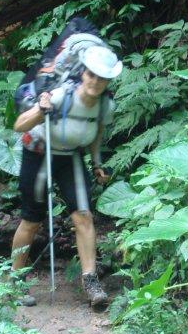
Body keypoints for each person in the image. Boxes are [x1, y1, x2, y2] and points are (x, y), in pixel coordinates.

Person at [11, 44, 122, 306]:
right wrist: (40, 109)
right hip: (39, 153)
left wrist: (97, 163)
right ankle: (15, 281)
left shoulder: (104, 105)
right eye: (92, 75)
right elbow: (19, 125)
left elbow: (96, 133)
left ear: (108, 80)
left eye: (102, 77)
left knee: (83, 216)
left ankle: (91, 281)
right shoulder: (62, 95)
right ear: (83, 73)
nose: (96, 81)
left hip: (71, 156)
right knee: (31, 219)